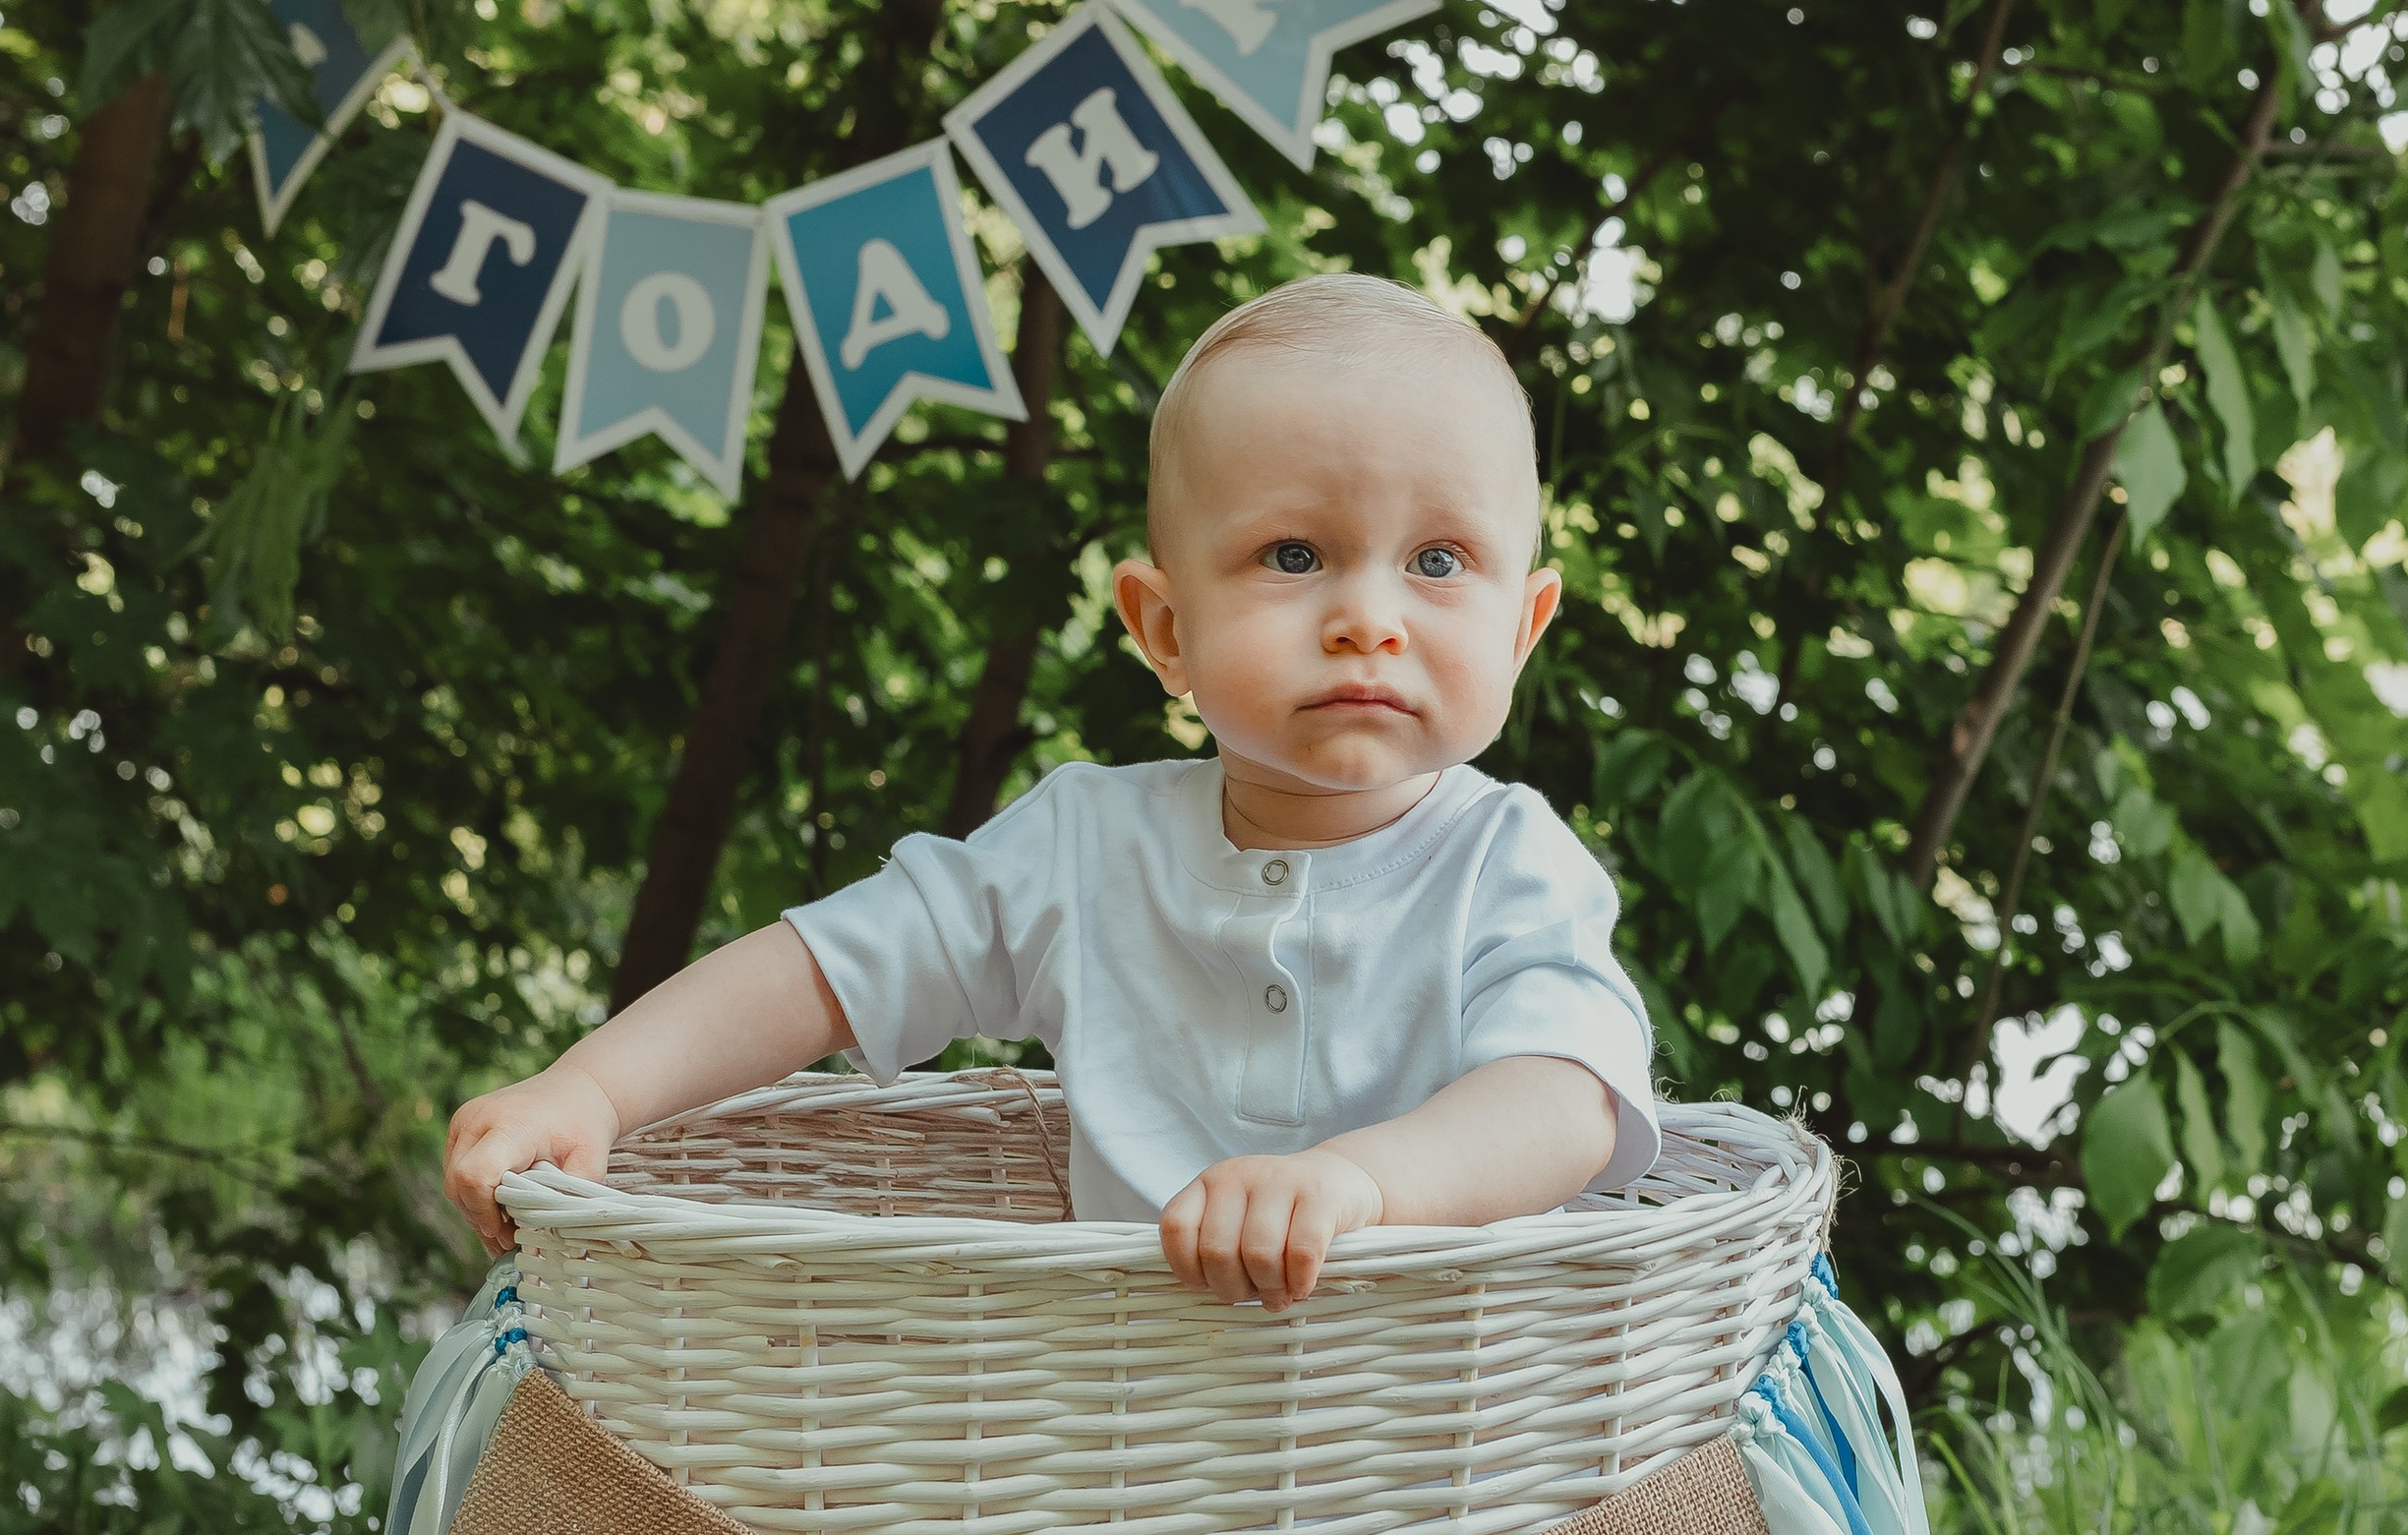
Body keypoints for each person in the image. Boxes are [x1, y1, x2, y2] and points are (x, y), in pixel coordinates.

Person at [445, 273, 1658, 1315]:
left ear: (1521, 628)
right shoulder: (1085, 846)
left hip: (1437, 1440)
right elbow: (824, 967)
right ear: (1165, 628)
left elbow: (1567, 1100)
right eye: (1294, 555)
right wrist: (590, 1087)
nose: (1368, 620)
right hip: (1109, 1449)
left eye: (1438, 562)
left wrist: (1366, 1184)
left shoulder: (1510, 860)